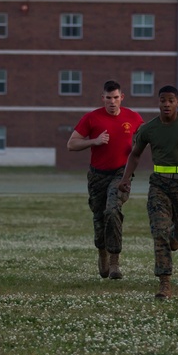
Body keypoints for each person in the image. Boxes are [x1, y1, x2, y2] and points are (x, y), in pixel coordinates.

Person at [118, 85, 178, 300]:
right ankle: (164, 282)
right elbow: (134, 155)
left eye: (171, 100)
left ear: (177, 102)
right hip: (159, 185)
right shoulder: (149, 128)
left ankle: (175, 235)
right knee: (159, 230)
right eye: (163, 100)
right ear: (158, 102)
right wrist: (126, 178)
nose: (167, 104)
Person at [67, 80, 144, 279]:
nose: (112, 101)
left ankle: (115, 263)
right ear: (103, 98)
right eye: (108, 98)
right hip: (97, 176)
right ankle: (102, 253)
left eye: (116, 97)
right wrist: (94, 141)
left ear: (122, 98)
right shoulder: (91, 118)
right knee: (99, 217)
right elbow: (71, 144)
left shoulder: (133, 117)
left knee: (112, 210)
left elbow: (148, 137)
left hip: (121, 173)